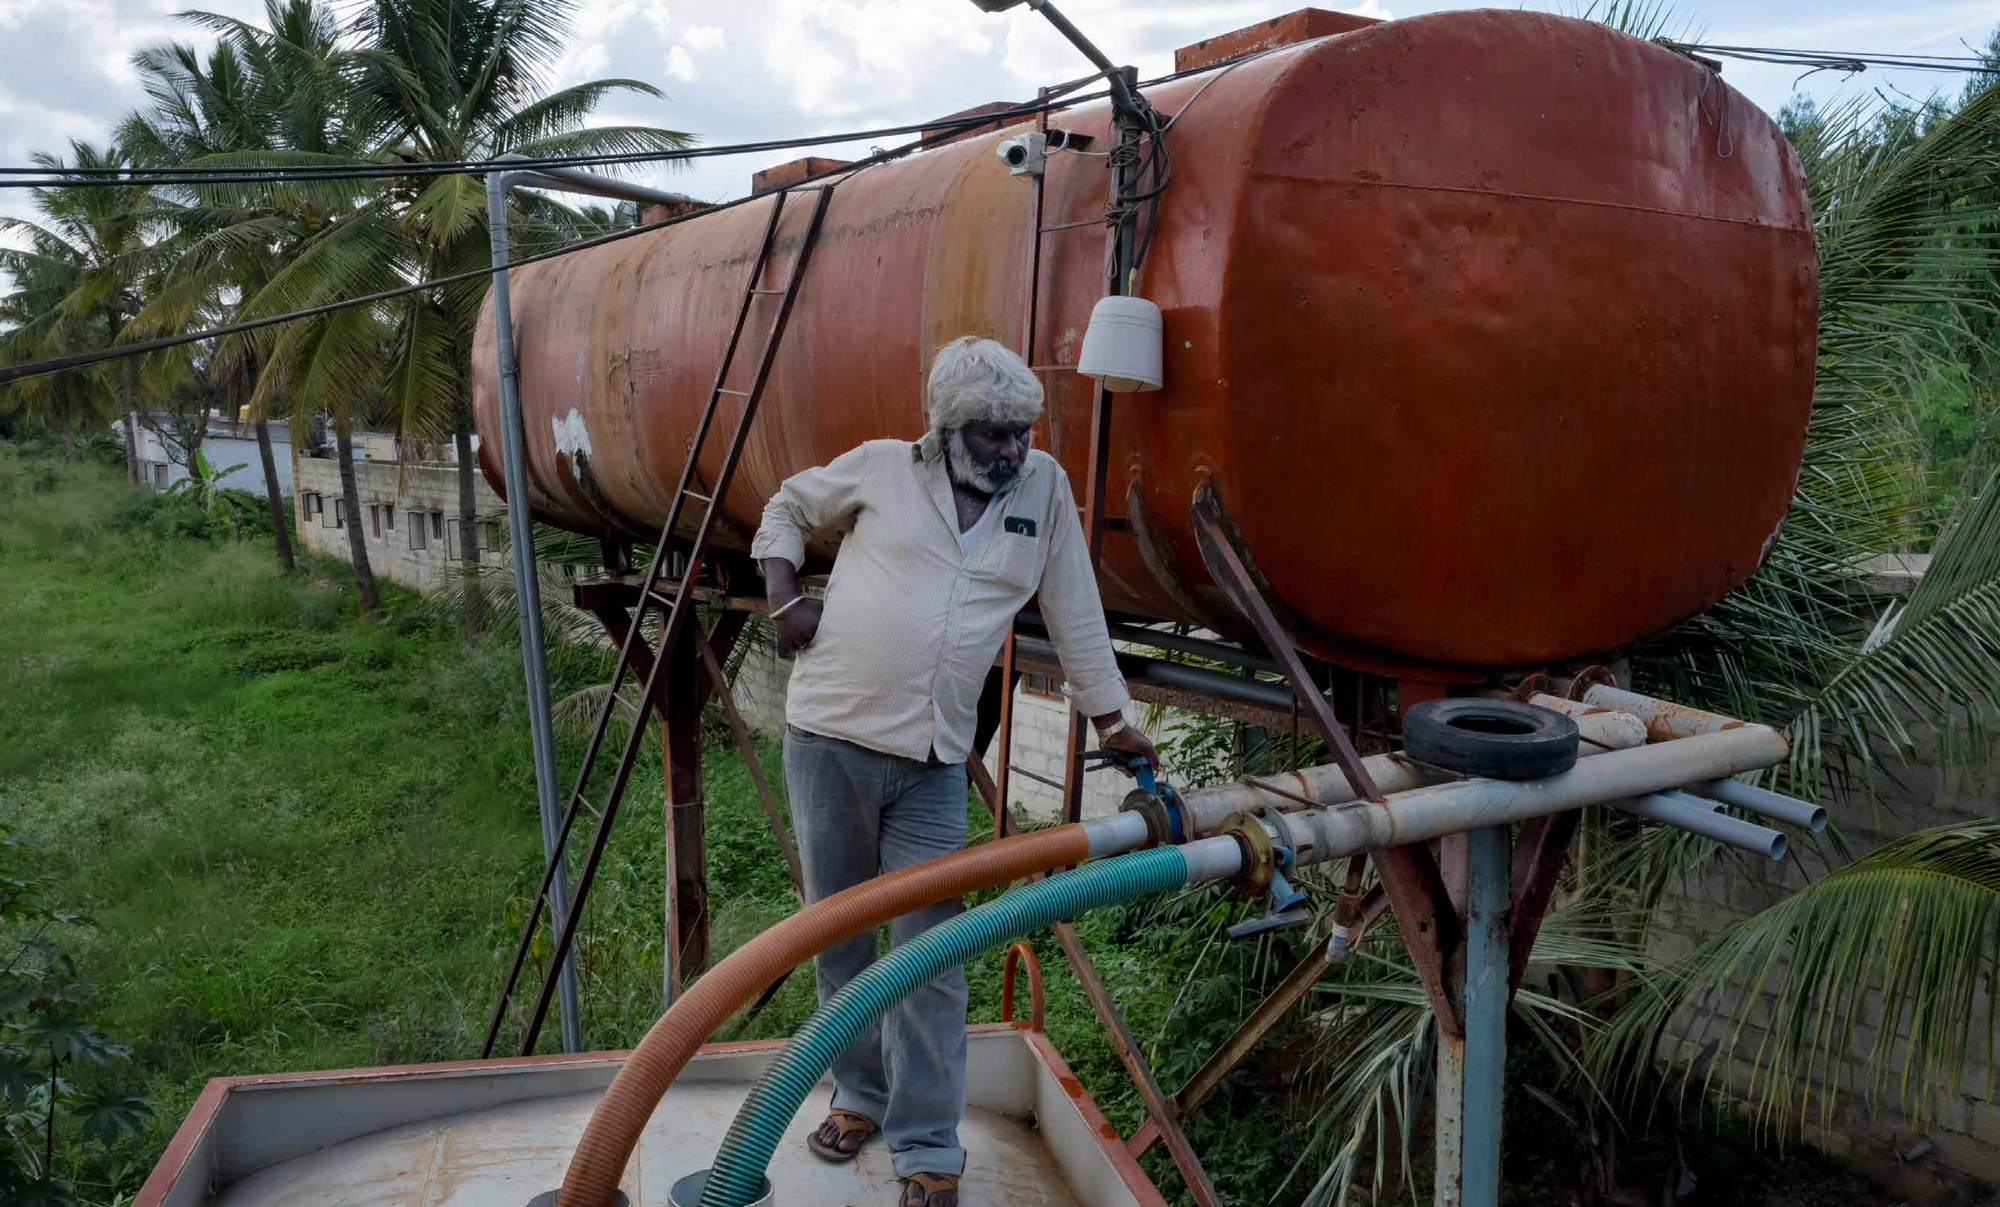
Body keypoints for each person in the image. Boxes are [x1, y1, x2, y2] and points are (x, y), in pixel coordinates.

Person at [750, 335, 1158, 1207]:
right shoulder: (881, 469)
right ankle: (859, 1096)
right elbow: (786, 505)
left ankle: (929, 1144)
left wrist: (1114, 717)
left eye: (1019, 431)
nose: (1011, 449)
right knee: (841, 937)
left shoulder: (1041, 490)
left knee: (932, 953)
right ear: (943, 430)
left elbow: (1074, 607)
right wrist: (784, 598)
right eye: (992, 435)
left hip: (934, 759)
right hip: (828, 738)